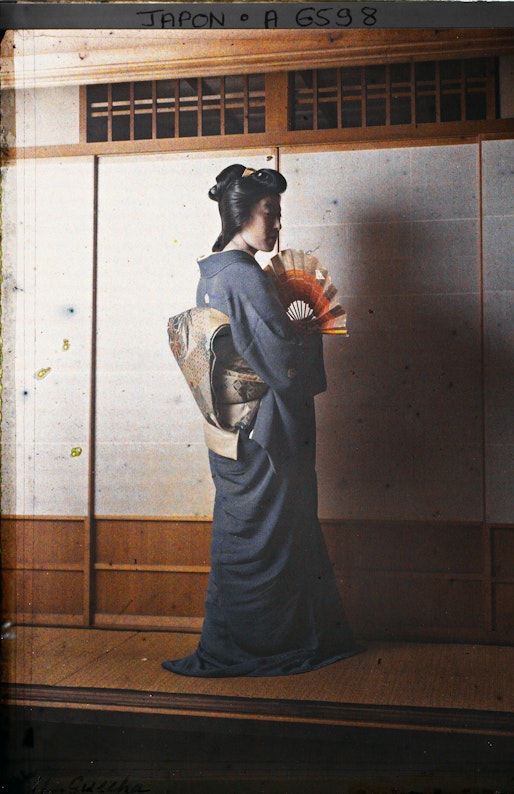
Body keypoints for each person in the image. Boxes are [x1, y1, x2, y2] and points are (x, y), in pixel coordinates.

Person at [163, 164, 363, 677]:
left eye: (278, 215)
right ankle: (268, 645)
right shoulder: (244, 276)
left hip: (233, 429)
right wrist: (310, 333)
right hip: (268, 430)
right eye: (268, 214)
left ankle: (255, 637)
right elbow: (280, 363)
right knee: (275, 535)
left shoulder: (213, 271)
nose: (276, 225)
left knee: (247, 534)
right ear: (241, 215)